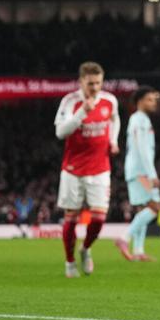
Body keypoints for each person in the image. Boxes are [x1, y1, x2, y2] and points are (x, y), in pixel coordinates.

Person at [54, 61, 120, 278]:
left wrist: (113, 139)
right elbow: (61, 132)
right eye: (90, 83)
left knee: (99, 219)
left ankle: (85, 249)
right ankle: (70, 262)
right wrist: (82, 112)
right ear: (81, 81)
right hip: (73, 170)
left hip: (100, 168)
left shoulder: (110, 100)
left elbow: (115, 119)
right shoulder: (70, 101)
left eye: (98, 83)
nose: (95, 88)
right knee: (70, 219)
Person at [116, 86, 160, 263]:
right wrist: (152, 174)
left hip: (137, 169)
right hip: (141, 171)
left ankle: (139, 250)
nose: (154, 103)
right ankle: (124, 238)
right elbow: (142, 148)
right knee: (155, 207)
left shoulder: (141, 119)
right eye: (150, 99)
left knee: (143, 209)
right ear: (140, 101)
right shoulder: (139, 119)